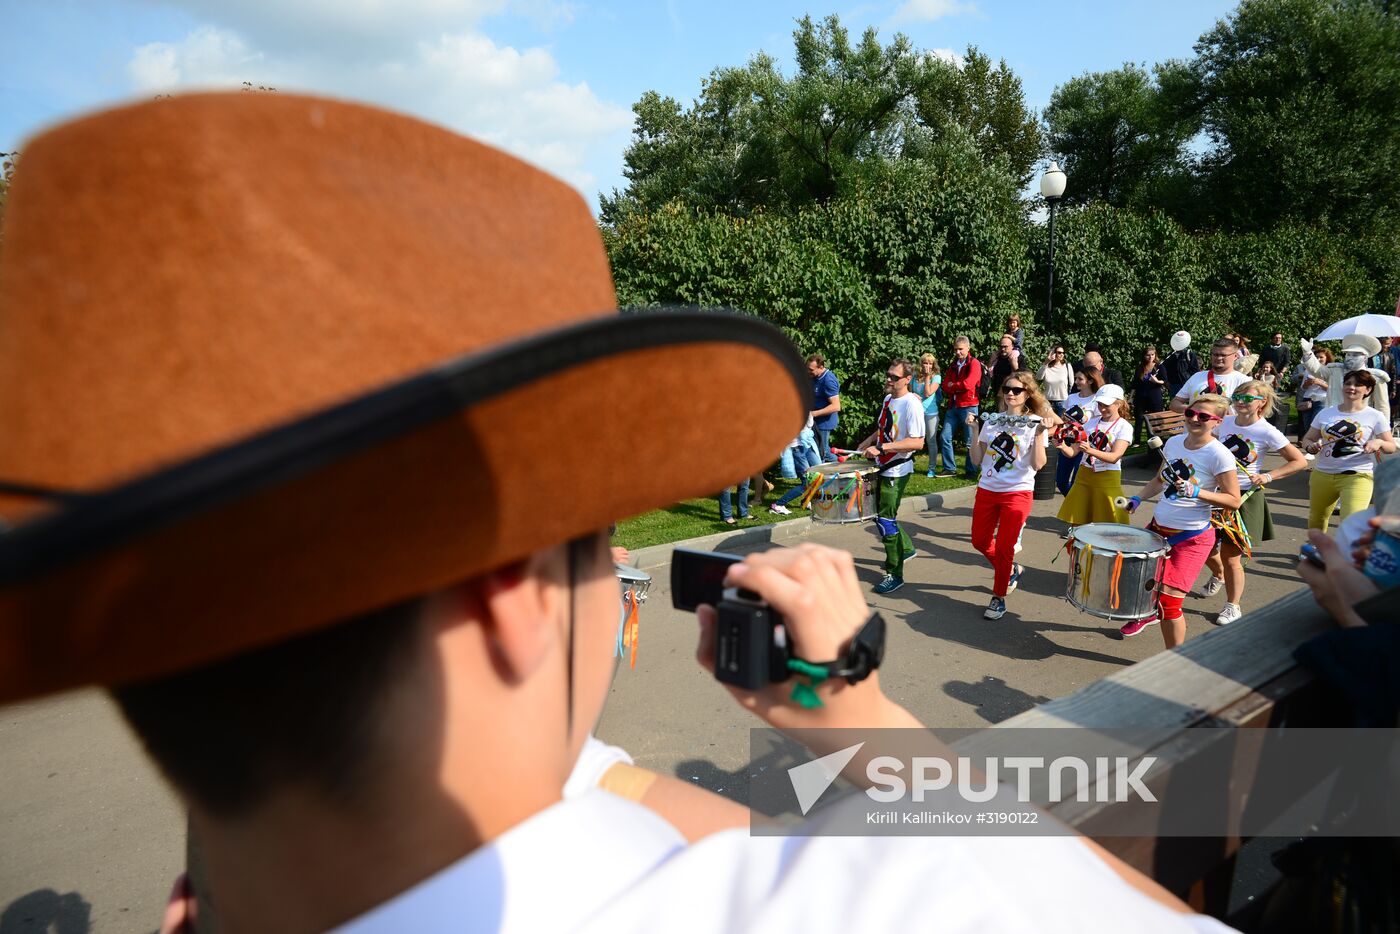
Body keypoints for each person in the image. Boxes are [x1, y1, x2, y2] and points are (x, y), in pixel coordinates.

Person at [3, 93, 1234, 934]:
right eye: (601, 548)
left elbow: (575, 796)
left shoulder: (223, 893)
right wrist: (851, 704)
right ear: (507, 603)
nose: (619, 589)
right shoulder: (875, 899)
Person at [1120, 395, 1241, 647]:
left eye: (1204, 417)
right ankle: (1148, 615)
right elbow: (1159, 480)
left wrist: (1197, 492)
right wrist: (1138, 498)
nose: (1195, 419)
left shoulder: (1219, 455)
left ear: (1216, 422)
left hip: (1191, 538)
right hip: (1157, 529)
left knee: (1169, 602)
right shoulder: (1174, 443)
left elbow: (1234, 500)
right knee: (1142, 585)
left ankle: (1175, 658)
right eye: (1191, 413)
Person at [1199, 381, 1308, 625]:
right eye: (1237, 396)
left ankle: (1232, 606)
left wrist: (1268, 476)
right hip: (1214, 494)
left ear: (1262, 403)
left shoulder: (1266, 431)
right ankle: (1218, 575)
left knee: (1231, 556)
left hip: (1244, 497)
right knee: (1201, 545)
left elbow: (1299, 461)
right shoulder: (1225, 421)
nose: (1240, 401)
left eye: (1247, 398)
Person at [969, 371, 1053, 620]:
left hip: (1017, 493)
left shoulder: (1036, 422)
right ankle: (1010, 570)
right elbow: (977, 460)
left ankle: (998, 597)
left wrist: (1039, 435)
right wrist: (974, 430)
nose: (1010, 394)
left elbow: (1038, 464)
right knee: (980, 541)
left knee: (1005, 546)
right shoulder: (993, 421)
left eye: (1017, 390)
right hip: (987, 489)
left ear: (1027, 393)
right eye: (1007, 389)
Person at [858, 359, 926, 594]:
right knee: (879, 516)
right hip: (883, 464)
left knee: (885, 520)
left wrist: (884, 449)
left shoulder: (911, 405)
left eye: (894, 377)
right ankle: (906, 548)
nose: (889, 379)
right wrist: (867, 442)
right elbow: (884, 428)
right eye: (888, 375)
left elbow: (918, 442)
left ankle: (894, 573)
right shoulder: (889, 399)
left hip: (897, 469)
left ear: (907, 379)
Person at [1302, 370, 1397, 532]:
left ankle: (1347, 555)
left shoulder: (1375, 416)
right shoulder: (1326, 413)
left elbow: (1391, 447)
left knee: (1351, 522)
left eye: (1358, 384)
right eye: (1348, 383)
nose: (1351, 387)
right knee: (1317, 518)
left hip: (1358, 475)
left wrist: (1378, 442)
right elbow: (1307, 439)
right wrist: (1310, 446)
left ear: (1368, 390)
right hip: (1323, 474)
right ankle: (1315, 550)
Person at [1056, 383, 1133, 529]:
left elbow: (1115, 456)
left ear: (1119, 403)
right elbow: (1073, 452)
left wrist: (1090, 450)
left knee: (1112, 524)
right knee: (1078, 524)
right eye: (1099, 404)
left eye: (1106, 405)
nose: (1102, 408)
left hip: (1108, 478)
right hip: (1084, 477)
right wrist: (1061, 446)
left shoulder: (1124, 426)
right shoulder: (1090, 423)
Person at [1299, 334, 1391, 422]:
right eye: (1348, 354)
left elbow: (1382, 406)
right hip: (1333, 419)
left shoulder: (1375, 377)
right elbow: (1317, 370)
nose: (1350, 358)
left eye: (1355, 355)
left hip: (1361, 424)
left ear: (1365, 358)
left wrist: (1384, 429)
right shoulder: (1335, 370)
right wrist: (1307, 353)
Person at [935, 336, 983, 479]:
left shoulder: (974, 363)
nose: (958, 352)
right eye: (956, 349)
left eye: (960, 349)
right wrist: (956, 386)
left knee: (970, 440)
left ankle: (971, 471)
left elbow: (969, 384)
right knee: (944, 437)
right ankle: (949, 468)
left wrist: (953, 386)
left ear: (968, 348)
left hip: (969, 406)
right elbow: (945, 385)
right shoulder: (954, 364)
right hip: (954, 406)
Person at [1055, 367, 1104, 495]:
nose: (1076, 381)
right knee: (1060, 481)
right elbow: (1063, 419)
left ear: (1091, 381)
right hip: (1068, 441)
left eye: (1080, 379)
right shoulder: (1071, 398)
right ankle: (1073, 507)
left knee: (1078, 482)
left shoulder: (1097, 400)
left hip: (1084, 444)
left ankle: (1075, 513)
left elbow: (1099, 423)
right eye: (1076, 378)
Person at [1170, 338, 1249, 412]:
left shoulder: (1244, 382)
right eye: (1215, 354)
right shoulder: (1197, 376)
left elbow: (1248, 412)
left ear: (1235, 356)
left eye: (1223, 355)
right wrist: (1194, 410)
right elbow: (1174, 403)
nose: (1218, 358)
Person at [912, 353, 943, 477]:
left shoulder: (936, 377)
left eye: (930, 363)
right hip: (916, 412)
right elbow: (909, 392)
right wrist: (913, 395)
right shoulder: (914, 376)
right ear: (921, 364)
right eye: (925, 363)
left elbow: (929, 393)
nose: (928, 366)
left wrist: (927, 377)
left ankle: (932, 468)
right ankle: (908, 464)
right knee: (912, 438)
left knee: (931, 441)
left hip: (931, 413)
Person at [807, 353, 842, 461]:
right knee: (821, 450)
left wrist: (813, 414)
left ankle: (841, 469)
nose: (809, 372)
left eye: (811, 370)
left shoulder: (828, 380)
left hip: (824, 423)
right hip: (815, 421)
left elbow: (836, 406)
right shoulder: (815, 376)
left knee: (823, 453)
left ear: (821, 367)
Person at [1294, 350, 1330, 441]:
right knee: (1307, 425)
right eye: (1316, 357)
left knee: (1316, 424)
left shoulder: (1329, 371)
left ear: (1327, 358)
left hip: (1322, 399)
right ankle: (1311, 446)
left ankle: (1316, 445)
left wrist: (1320, 383)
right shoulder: (1308, 370)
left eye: (1321, 357)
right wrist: (1307, 384)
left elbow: (1333, 389)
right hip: (1307, 399)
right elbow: (1303, 387)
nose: (1318, 359)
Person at [1132, 345, 1166, 441]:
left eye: (1152, 355)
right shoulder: (1140, 368)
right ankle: (1137, 440)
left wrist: (1156, 381)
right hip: (1141, 396)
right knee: (1139, 418)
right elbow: (1135, 384)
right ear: (1144, 356)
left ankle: (1158, 438)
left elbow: (1165, 381)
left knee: (1155, 418)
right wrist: (1131, 397)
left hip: (1154, 396)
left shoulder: (1159, 367)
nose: (1151, 357)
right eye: (1148, 355)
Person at [1161, 333, 1201, 401]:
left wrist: (1191, 381)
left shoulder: (1189, 354)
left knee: (1191, 405)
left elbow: (1195, 370)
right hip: (1174, 386)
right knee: (1175, 405)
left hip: (1187, 384)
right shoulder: (1170, 355)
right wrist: (1167, 382)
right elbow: (1165, 369)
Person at [1038, 344, 1073, 417]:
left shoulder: (1067, 366)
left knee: (1061, 425)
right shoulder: (1046, 367)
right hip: (1048, 402)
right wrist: (1046, 363)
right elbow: (1038, 377)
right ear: (1053, 353)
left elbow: (1071, 383)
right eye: (1059, 352)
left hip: (1062, 402)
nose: (1061, 354)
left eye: (1063, 353)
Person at [988, 333, 1021, 397]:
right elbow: (987, 374)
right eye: (1001, 347)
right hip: (999, 394)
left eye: (1005, 347)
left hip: (1014, 396)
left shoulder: (1018, 358)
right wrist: (991, 361)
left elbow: (1024, 378)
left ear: (1012, 346)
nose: (1003, 349)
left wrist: (1015, 366)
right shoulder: (996, 358)